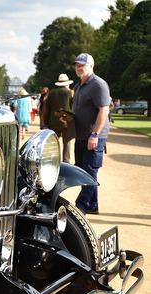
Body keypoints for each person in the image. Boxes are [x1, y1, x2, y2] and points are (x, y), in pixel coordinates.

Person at [71, 53, 110, 215]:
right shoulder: (78, 85)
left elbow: (104, 110)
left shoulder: (98, 84)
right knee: (82, 170)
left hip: (94, 137)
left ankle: (81, 206)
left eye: (82, 65)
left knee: (89, 171)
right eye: (77, 65)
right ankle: (93, 205)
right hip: (81, 136)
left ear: (91, 66)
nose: (79, 68)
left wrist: (95, 134)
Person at [45, 74, 75, 163]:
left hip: (53, 122)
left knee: (54, 143)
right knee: (67, 143)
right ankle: (66, 162)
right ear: (67, 83)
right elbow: (73, 108)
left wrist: (45, 123)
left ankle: (53, 161)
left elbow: (47, 110)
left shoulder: (52, 93)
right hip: (67, 122)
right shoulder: (70, 93)